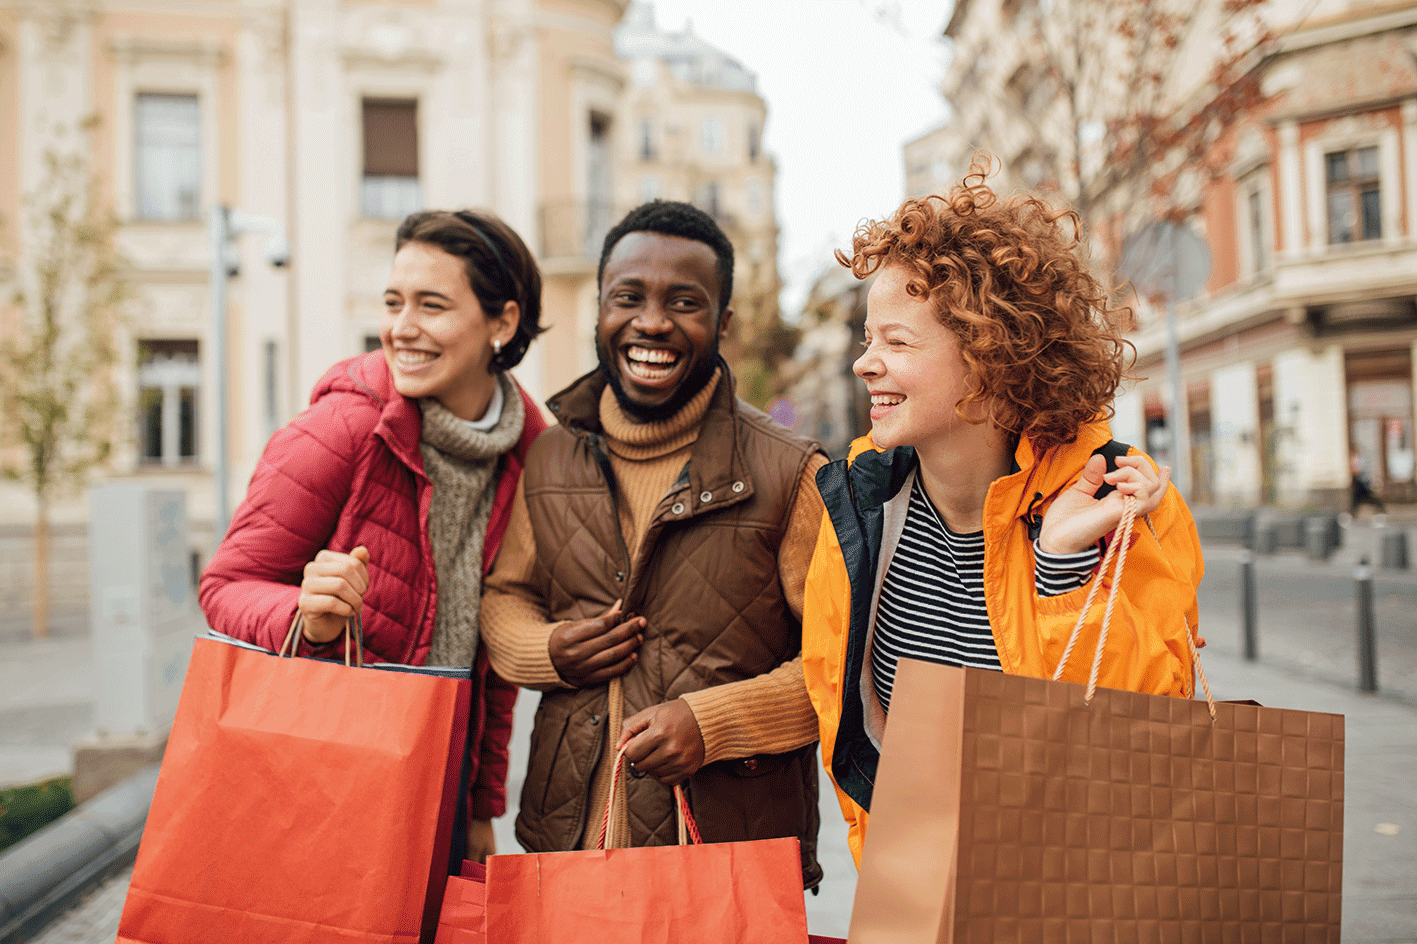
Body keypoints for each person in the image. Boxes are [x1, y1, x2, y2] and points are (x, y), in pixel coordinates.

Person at [801, 166, 1205, 867]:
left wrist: (1066, 568)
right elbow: (853, 724)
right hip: (922, 882)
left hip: (1085, 886)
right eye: (869, 341)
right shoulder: (861, 509)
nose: (866, 364)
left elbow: (1149, 735)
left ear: (991, 353)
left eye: (897, 343)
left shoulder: (1122, 495)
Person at [479, 200, 828, 886]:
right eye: (628, 297)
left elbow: (837, 666)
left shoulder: (793, 472)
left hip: (726, 859)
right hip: (568, 842)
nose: (652, 322)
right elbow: (505, 598)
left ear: (723, 323)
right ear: (601, 311)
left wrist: (713, 722)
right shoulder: (551, 456)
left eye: (685, 302)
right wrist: (544, 651)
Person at [199, 209, 549, 863]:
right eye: (394, 302)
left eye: (432, 305)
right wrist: (307, 616)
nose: (401, 328)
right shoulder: (343, 429)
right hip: (319, 782)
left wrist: (480, 806)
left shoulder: (530, 454)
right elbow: (226, 583)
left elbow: (491, 660)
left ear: (502, 322)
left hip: (438, 791)